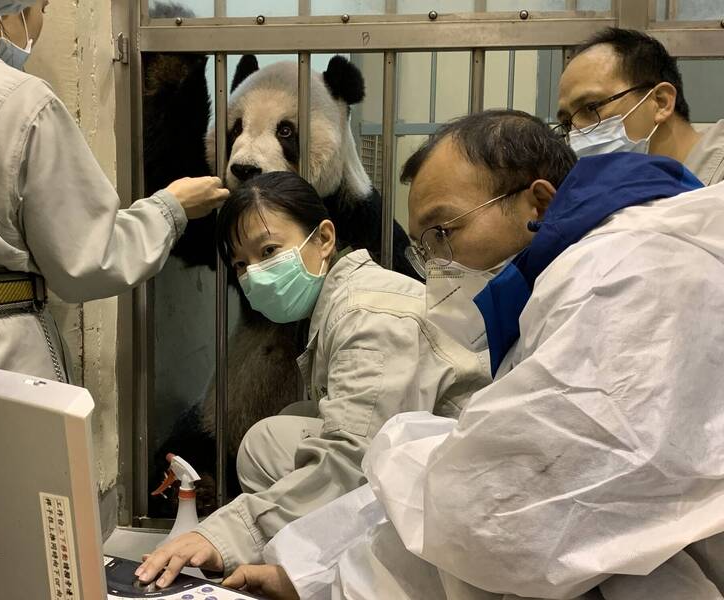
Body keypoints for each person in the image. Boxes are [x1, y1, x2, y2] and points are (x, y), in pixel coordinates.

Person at [225, 110, 724, 599]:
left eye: (445, 231)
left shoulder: (618, 277)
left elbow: (497, 512)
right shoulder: (572, 272)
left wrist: (315, 574)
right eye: (424, 243)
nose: (437, 263)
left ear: (539, 205)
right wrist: (309, 573)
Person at [135, 171, 490, 588]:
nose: (255, 274)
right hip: (429, 464)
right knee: (275, 435)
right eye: (241, 264)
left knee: (291, 444)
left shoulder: (368, 317)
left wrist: (222, 534)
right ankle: (305, 564)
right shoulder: (343, 298)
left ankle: (330, 577)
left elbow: (352, 459)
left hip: (466, 502)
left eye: (269, 250)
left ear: (323, 239)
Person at [0, 0, 228, 382]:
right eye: (42, 10)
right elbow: (86, 259)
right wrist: (171, 208)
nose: (39, 27)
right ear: (6, 9)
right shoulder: (20, 101)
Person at [557, 27, 724, 185]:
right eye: (566, 124)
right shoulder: (622, 190)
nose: (575, 135)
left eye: (591, 107)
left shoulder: (716, 185)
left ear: (661, 102)